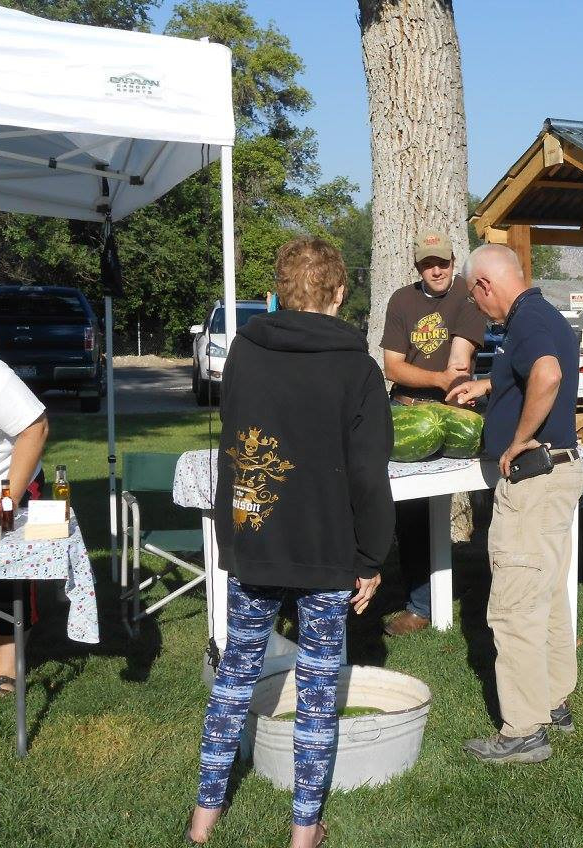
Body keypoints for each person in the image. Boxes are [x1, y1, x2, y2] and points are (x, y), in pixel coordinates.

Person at [186, 237, 394, 848]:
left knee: (234, 678)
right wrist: (371, 556)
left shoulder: (245, 354)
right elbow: (367, 473)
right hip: (327, 550)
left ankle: (204, 818)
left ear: (278, 290)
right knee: (318, 686)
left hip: (255, 536)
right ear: (337, 294)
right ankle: (305, 830)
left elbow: (237, 444)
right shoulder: (358, 368)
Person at [447, 244, 583, 764]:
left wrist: (517, 439)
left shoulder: (526, 321)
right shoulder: (541, 313)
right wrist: (492, 384)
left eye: (475, 298)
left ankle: (524, 730)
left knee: (514, 606)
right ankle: (553, 702)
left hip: (534, 480)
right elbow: (533, 372)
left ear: (484, 286)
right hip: (558, 475)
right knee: (546, 593)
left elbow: (546, 375)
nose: (478, 309)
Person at [379, 230, 486, 637]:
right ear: (418, 266)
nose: (436, 269)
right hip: (404, 409)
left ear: (453, 261)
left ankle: (483, 592)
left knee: (478, 493)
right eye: (428, 263)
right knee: (407, 512)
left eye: (442, 262)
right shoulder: (401, 300)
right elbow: (393, 367)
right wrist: (438, 379)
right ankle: (420, 604)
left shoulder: (467, 296)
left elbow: (460, 361)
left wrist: (446, 386)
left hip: (452, 409)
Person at [0, 343, 49, 697]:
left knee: (6, 567)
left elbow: (35, 428)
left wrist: (6, 503)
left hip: (3, 479)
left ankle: (6, 664)